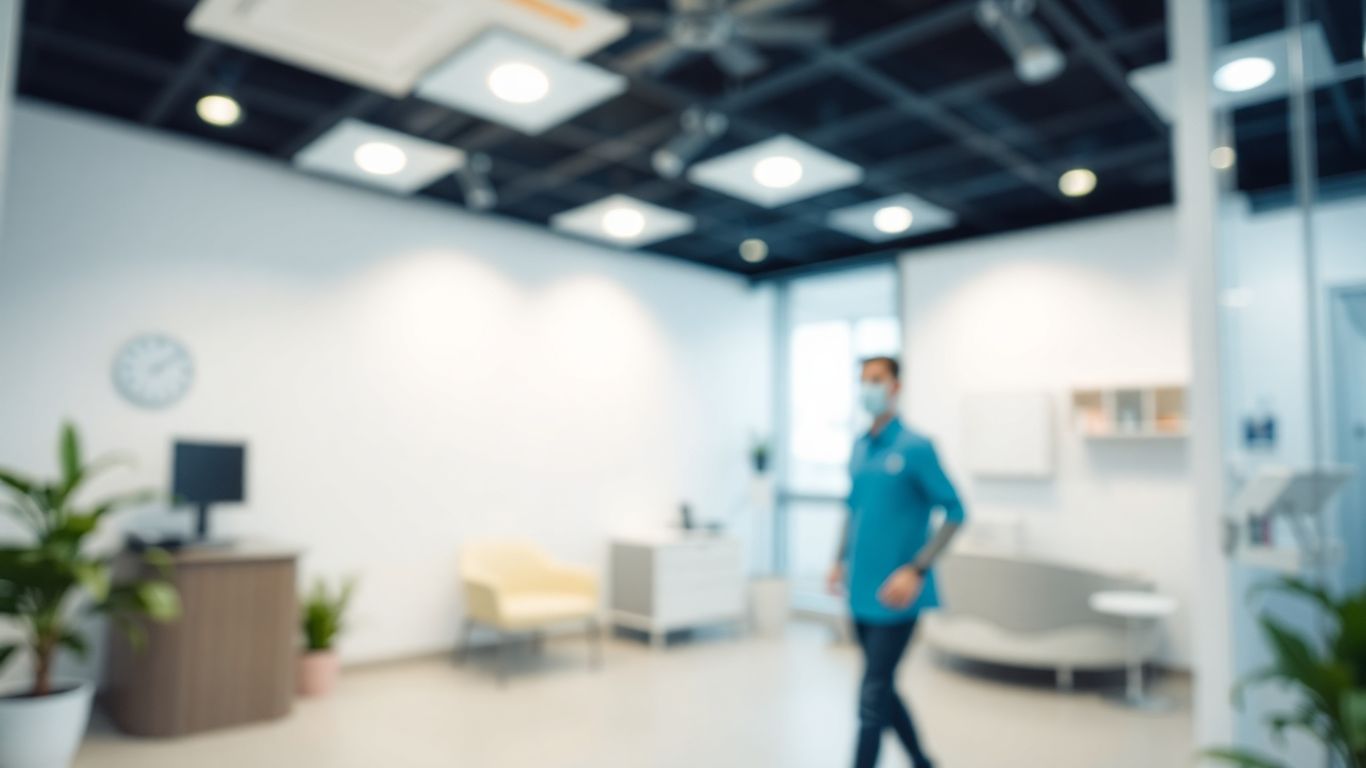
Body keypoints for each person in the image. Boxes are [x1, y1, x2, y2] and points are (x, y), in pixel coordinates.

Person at [827, 356, 965, 768]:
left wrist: (917, 568)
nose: (868, 387)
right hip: (860, 590)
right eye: (863, 381)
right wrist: (837, 559)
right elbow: (853, 510)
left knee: (871, 695)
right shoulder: (859, 446)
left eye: (876, 379)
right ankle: (923, 761)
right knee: (881, 687)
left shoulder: (916, 447)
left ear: (896, 386)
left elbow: (956, 512)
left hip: (898, 595)